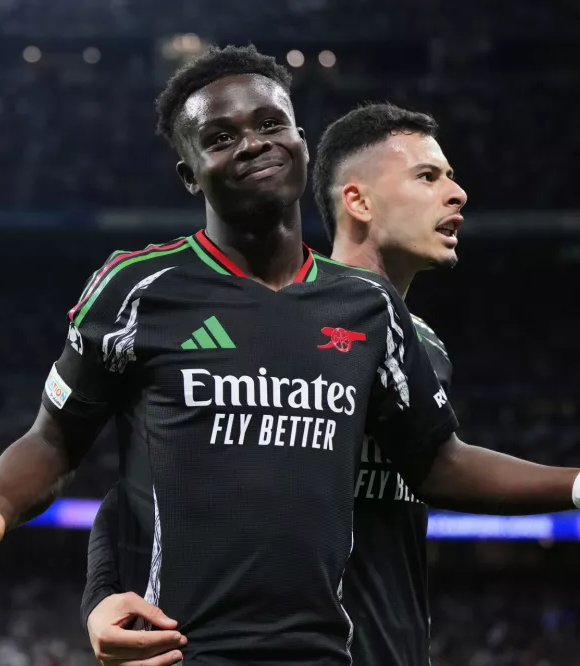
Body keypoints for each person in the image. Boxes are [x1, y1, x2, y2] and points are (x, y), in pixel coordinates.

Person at [0, 46, 580, 666]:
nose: (252, 141)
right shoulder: (138, 286)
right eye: (220, 136)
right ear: (189, 173)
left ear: (302, 142)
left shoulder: (367, 309)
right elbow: (60, 440)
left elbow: (438, 461)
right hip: (178, 652)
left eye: (270, 122)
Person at [83, 103, 459, 666]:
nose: (456, 194)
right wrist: (99, 598)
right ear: (357, 200)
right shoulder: (264, 323)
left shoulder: (424, 346)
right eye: (428, 176)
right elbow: (137, 488)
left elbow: (440, 479)